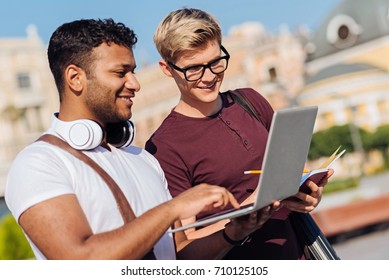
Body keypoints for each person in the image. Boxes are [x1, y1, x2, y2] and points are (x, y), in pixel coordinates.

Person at [4, 18, 279, 260]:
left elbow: (179, 256)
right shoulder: (38, 164)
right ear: (75, 78)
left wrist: (235, 231)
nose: (135, 83)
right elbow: (79, 261)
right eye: (121, 72)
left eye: (133, 71)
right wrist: (172, 208)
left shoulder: (144, 161)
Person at [146, 8, 334, 259]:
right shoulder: (164, 147)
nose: (209, 76)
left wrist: (307, 194)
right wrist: (243, 217)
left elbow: (291, 175)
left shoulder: (251, 100)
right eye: (193, 69)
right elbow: (182, 245)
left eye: (215, 62)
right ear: (167, 69)